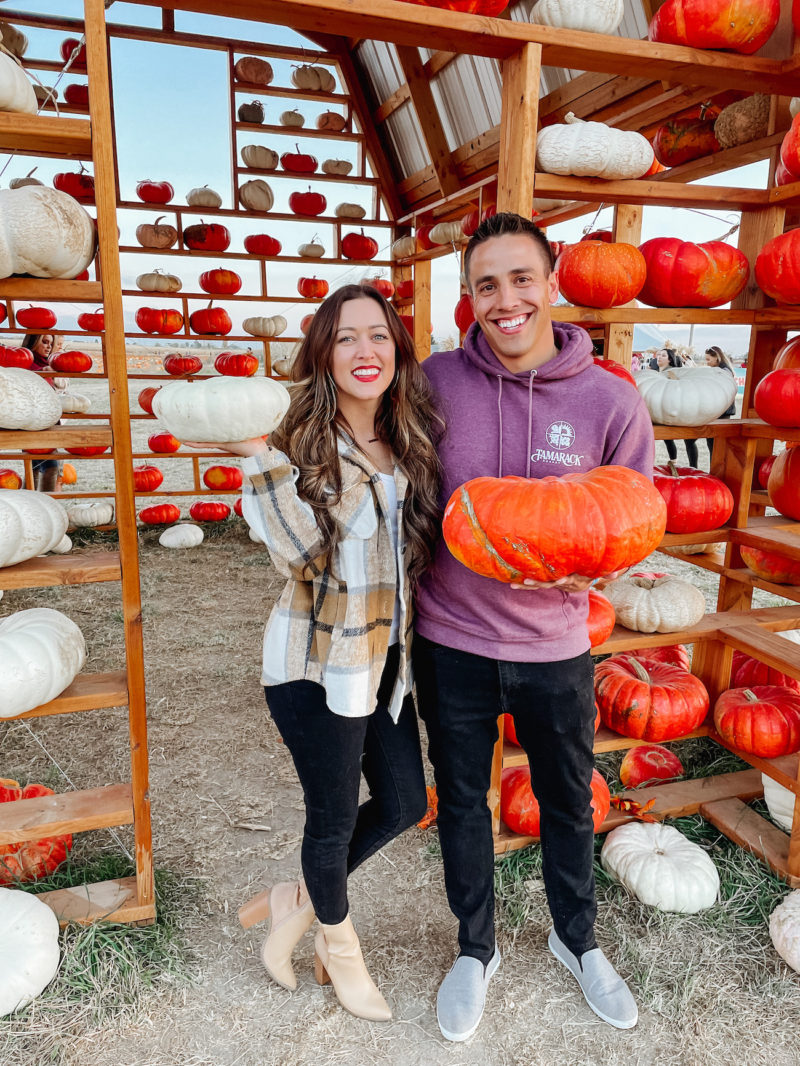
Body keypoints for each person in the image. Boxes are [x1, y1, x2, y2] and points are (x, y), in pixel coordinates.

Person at [413, 212, 655, 1041]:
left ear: (552, 282)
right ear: (469, 298)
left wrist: (604, 563)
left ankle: (577, 939)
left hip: (557, 646)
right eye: (486, 285)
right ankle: (475, 949)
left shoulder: (610, 399)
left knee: (567, 799)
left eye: (521, 279)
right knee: (462, 801)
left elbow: (631, 514)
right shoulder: (435, 382)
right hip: (450, 638)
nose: (505, 299)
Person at [187, 283, 443, 1022]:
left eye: (379, 336)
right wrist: (256, 460)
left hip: (383, 663)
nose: (366, 352)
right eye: (346, 338)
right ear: (324, 355)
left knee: (403, 802)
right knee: (330, 819)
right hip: (315, 667)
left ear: (397, 349)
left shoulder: (410, 439)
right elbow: (300, 551)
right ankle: (338, 945)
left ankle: (291, 900)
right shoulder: (294, 445)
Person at [22, 333, 67, 492]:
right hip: (33, 423)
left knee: (36, 467)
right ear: (33, 343)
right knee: (48, 467)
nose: (48, 346)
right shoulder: (27, 364)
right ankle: (42, 504)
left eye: (51, 343)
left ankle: (32, 504)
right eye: (44, 342)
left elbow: (62, 386)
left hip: (48, 423)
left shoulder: (48, 364)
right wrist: (44, 372)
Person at [649, 347, 699, 467]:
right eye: (658, 355)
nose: (659, 357)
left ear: (670, 359)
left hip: (678, 410)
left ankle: (693, 466)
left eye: (663, 355)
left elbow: (679, 390)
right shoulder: (657, 373)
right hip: (664, 409)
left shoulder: (672, 373)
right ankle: (673, 461)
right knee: (668, 438)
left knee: (689, 440)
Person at [704, 345, 736, 461]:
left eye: (708, 359)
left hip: (722, 410)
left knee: (716, 443)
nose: (706, 362)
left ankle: (716, 466)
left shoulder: (723, 372)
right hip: (720, 409)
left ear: (716, 358)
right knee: (713, 442)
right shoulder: (720, 370)